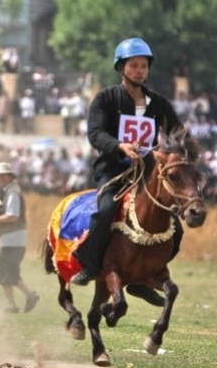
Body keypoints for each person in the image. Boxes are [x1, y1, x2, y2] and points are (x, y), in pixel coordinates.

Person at [70, 38, 184, 306]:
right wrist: (120, 146)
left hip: (148, 176)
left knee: (175, 227)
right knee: (107, 208)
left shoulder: (159, 104)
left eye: (144, 66)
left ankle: (149, 275)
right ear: (121, 67)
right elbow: (95, 133)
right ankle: (89, 264)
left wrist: (170, 152)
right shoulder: (105, 98)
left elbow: (177, 133)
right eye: (134, 66)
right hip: (112, 172)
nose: (140, 71)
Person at [0, 162, 39, 313]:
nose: (0, 178)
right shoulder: (9, 191)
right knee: (10, 272)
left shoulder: (12, 192)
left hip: (12, 239)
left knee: (4, 271)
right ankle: (28, 296)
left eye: (2, 175)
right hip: (13, 238)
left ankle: (14, 304)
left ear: (9, 176)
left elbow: (12, 216)